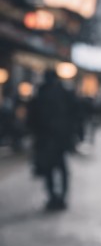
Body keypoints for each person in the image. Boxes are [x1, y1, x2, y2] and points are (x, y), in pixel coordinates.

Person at [27, 70, 77, 211]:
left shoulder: (40, 94)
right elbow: (74, 115)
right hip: (60, 138)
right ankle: (61, 197)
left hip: (46, 139)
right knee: (61, 169)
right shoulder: (64, 93)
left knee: (49, 169)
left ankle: (53, 197)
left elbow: (31, 118)